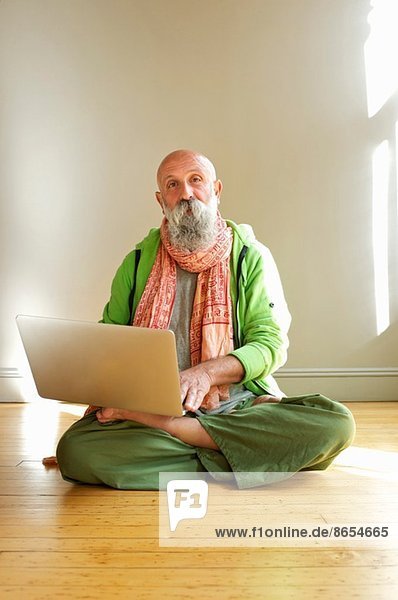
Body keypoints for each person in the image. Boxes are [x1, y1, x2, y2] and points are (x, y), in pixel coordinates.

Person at [56, 149, 355, 489]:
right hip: (148, 409)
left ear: (216, 189)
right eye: (173, 184)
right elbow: (109, 340)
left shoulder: (249, 256)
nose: (185, 193)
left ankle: (180, 433)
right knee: (76, 451)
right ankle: (242, 455)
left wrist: (205, 374)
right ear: (160, 200)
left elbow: (269, 344)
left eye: (195, 180)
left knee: (336, 423)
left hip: (235, 406)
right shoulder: (137, 261)